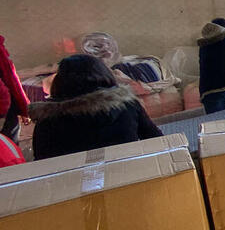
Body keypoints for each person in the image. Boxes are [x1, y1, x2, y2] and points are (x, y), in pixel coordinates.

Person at [29, 54, 162, 160]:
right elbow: (156, 141)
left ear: (60, 82)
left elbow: (41, 163)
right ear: (104, 74)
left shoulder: (46, 120)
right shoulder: (127, 105)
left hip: (70, 187)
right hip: (127, 176)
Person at [0, 35, 29, 143]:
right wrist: (24, 108)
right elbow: (10, 80)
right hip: (4, 112)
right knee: (9, 150)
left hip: (5, 109)